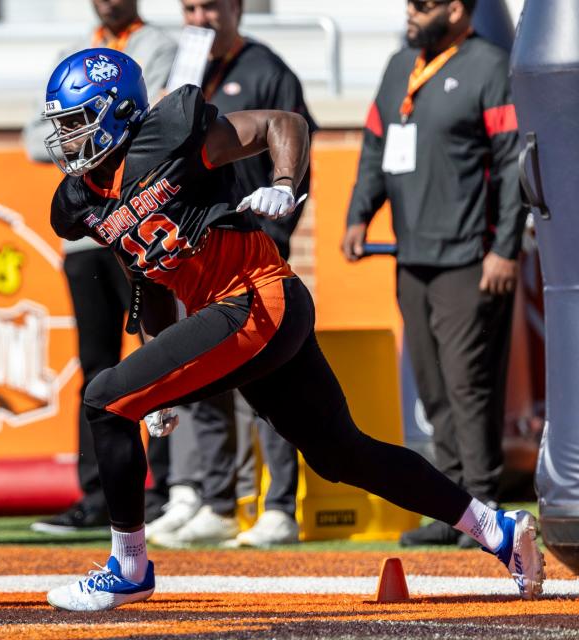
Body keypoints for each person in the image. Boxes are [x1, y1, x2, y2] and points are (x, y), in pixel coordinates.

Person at [38, 47, 543, 612]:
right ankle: (497, 529)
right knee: (340, 454)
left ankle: (129, 568)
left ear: (120, 111)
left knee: (104, 401)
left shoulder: (173, 135)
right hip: (251, 315)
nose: (67, 140)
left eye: (77, 123)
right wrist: (157, 367)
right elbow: (150, 271)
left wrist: (283, 180)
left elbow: (284, 122)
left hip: (254, 300)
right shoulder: (82, 201)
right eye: (62, 126)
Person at [342, 0, 525, 548]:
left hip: (471, 255)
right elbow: (375, 146)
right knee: (434, 387)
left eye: (422, 6)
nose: (411, 14)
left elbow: (514, 160)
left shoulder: (489, 66)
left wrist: (506, 249)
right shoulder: (401, 66)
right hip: (412, 255)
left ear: (455, 9)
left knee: (469, 383)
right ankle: (453, 510)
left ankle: (485, 503)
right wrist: (358, 213)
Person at [149, 0, 317, 549]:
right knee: (205, 375)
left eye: (213, 6)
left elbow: (293, 139)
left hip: (256, 244)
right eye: (192, 7)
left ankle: (278, 507)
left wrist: (284, 197)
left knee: (265, 382)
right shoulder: (183, 73)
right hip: (197, 253)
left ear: (237, 9)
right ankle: (216, 501)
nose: (202, 18)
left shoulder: (266, 68)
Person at [22, 0, 179, 534]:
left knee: (158, 350)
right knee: (96, 365)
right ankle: (100, 491)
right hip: (91, 228)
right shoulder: (72, 52)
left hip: (138, 216)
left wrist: (96, 130)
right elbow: (33, 135)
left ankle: (169, 484)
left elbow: (153, 119)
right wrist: (84, 131)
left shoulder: (156, 45)